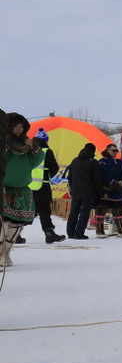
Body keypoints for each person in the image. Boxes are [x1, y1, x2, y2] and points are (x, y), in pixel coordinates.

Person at [1, 113, 46, 265]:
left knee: (15, 226)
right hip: (3, 188)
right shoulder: (3, 142)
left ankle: (6, 254)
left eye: (21, 126)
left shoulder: (26, 145)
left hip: (21, 190)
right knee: (3, 225)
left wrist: (33, 146)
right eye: (15, 126)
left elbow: (37, 159)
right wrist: (6, 145)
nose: (19, 129)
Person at [30, 129, 66, 243]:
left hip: (28, 186)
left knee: (27, 211)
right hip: (43, 185)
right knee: (44, 211)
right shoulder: (46, 151)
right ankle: (49, 234)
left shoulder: (28, 150)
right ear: (45, 140)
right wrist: (48, 174)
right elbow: (54, 168)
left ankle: (15, 234)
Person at [65, 143, 103, 240]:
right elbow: (97, 179)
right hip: (89, 192)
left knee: (73, 212)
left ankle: (70, 232)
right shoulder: (93, 162)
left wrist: (73, 187)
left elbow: (70, 177)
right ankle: (79, 233)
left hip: (76, 191)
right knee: (84, 213)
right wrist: (100, 193)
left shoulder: (74, 161)